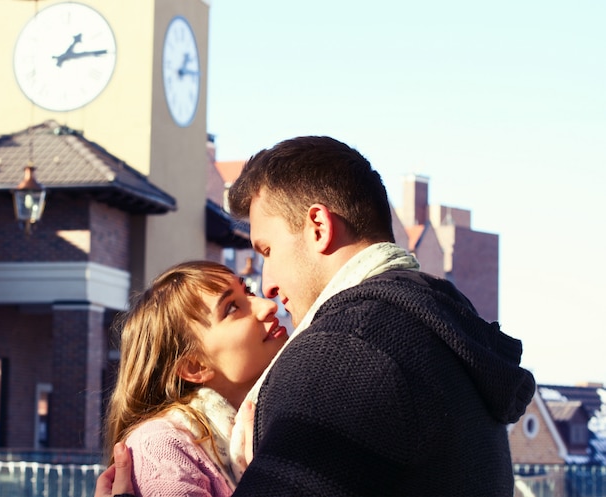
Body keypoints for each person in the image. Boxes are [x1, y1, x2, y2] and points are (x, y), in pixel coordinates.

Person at [97, 136, 535, 496]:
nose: (267, 286)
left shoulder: (344, 349)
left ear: (319, 228)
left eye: (267, 250)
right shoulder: (435, 325)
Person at [103, 260, 287, 497]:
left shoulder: (276, 417)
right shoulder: (160, 446)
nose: (266, 306)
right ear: (194, 366)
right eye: (232, 308)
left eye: (249, 292)